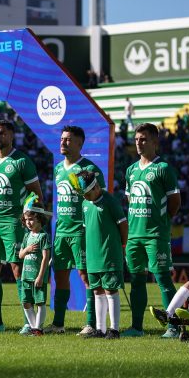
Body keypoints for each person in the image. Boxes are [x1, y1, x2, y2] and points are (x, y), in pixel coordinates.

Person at [0, 120, 42, 332]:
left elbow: (36, 195)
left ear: (11, 136)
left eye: (3, 133)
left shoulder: (22, 161)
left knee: (19, 270)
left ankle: (29, 321)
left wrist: (26, 219)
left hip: (13, 223)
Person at [123, 123, 181, 338]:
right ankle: (136, 327)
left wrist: (161, 221)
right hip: (134, 235)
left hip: (156, 234)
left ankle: (173, 327)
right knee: (137, 281)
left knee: (163, 279)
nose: (139, 142)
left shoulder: (163, 169)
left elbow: (175, 202)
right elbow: (130, 200)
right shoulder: (131, 170)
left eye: (144, 139)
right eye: (137, 139)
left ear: (155, 142)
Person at [51, 125, 106, 336]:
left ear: (79, 144)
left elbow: (100, 198)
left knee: (86, 276)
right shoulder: (58, 168)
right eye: (62, 139)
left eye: (68, 140)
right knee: (60, 276)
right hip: (61, 231)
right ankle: (58, 324)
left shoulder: (89, 169)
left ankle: (91, 323)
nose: (63, 143)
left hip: (81, 231)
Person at [75, 171, 128, 339]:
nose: (87, 197)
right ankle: (100, 329)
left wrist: (121, 245)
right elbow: (86, 228)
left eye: (88, 193)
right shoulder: (85, 204)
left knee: (110, 290)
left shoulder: (110, 201)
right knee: (97, 291)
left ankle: (114, 329)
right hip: (92, 256)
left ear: (96, 187)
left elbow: (123, 225)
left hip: (109, 254)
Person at [18, 194, 52, 337]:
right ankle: (34, 328)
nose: (28, 223)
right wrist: (27, 250)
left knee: (39, 302)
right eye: (26, 220)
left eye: (31, 219)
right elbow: (20, 255)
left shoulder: (43, 236)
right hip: (26, 275)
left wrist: (40, 276)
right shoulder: (27, 236)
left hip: (37, 277)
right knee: (26, 302)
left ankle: (38, 328)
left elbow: (45, 258)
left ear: (39, 218)